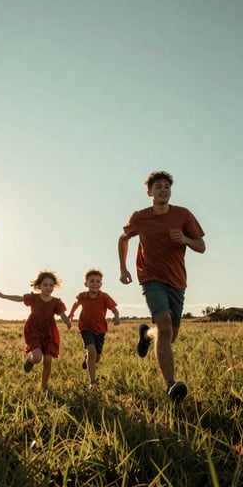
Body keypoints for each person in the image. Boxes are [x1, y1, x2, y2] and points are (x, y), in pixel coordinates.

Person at [118, 170, 205, 402]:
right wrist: (123, 268)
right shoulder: (140, 217)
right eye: (159, 187)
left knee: (168, 335)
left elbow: (201, 246)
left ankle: (146, 334)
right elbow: (123, 238)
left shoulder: (183, 215)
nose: (163, 189)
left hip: (177, 281)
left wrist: (185, 239)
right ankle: (170, 385)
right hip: (150, 277)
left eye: (167, 186)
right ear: (149, 192)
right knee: (165, 327)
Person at [0, 270, 71, 390]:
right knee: (37, 357)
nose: (48, 287)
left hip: (48, 332)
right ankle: (30, 360)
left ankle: (44, 386)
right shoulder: (34, 298)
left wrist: (67, 321)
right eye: (45, 285)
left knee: (47, 361)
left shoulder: (56, 302)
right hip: (34, 330)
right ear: (39, 286)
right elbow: (19, 298)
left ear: (54, 286)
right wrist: (4, 296)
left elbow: (62, 314)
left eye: (51, 285)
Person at [68, 268, 120, 391]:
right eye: (92, 281)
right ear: (86, 284)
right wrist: (71, 314)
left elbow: (114, 309)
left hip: (100, 329)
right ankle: (93, 382)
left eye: (98, 281)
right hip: (85, 328)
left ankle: (88, 360)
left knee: (96, 357)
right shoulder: (82, 296)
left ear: (101, 284)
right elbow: (76, 304)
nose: (95, 284)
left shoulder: (104, 297)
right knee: (91, 351)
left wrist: (116, 316)